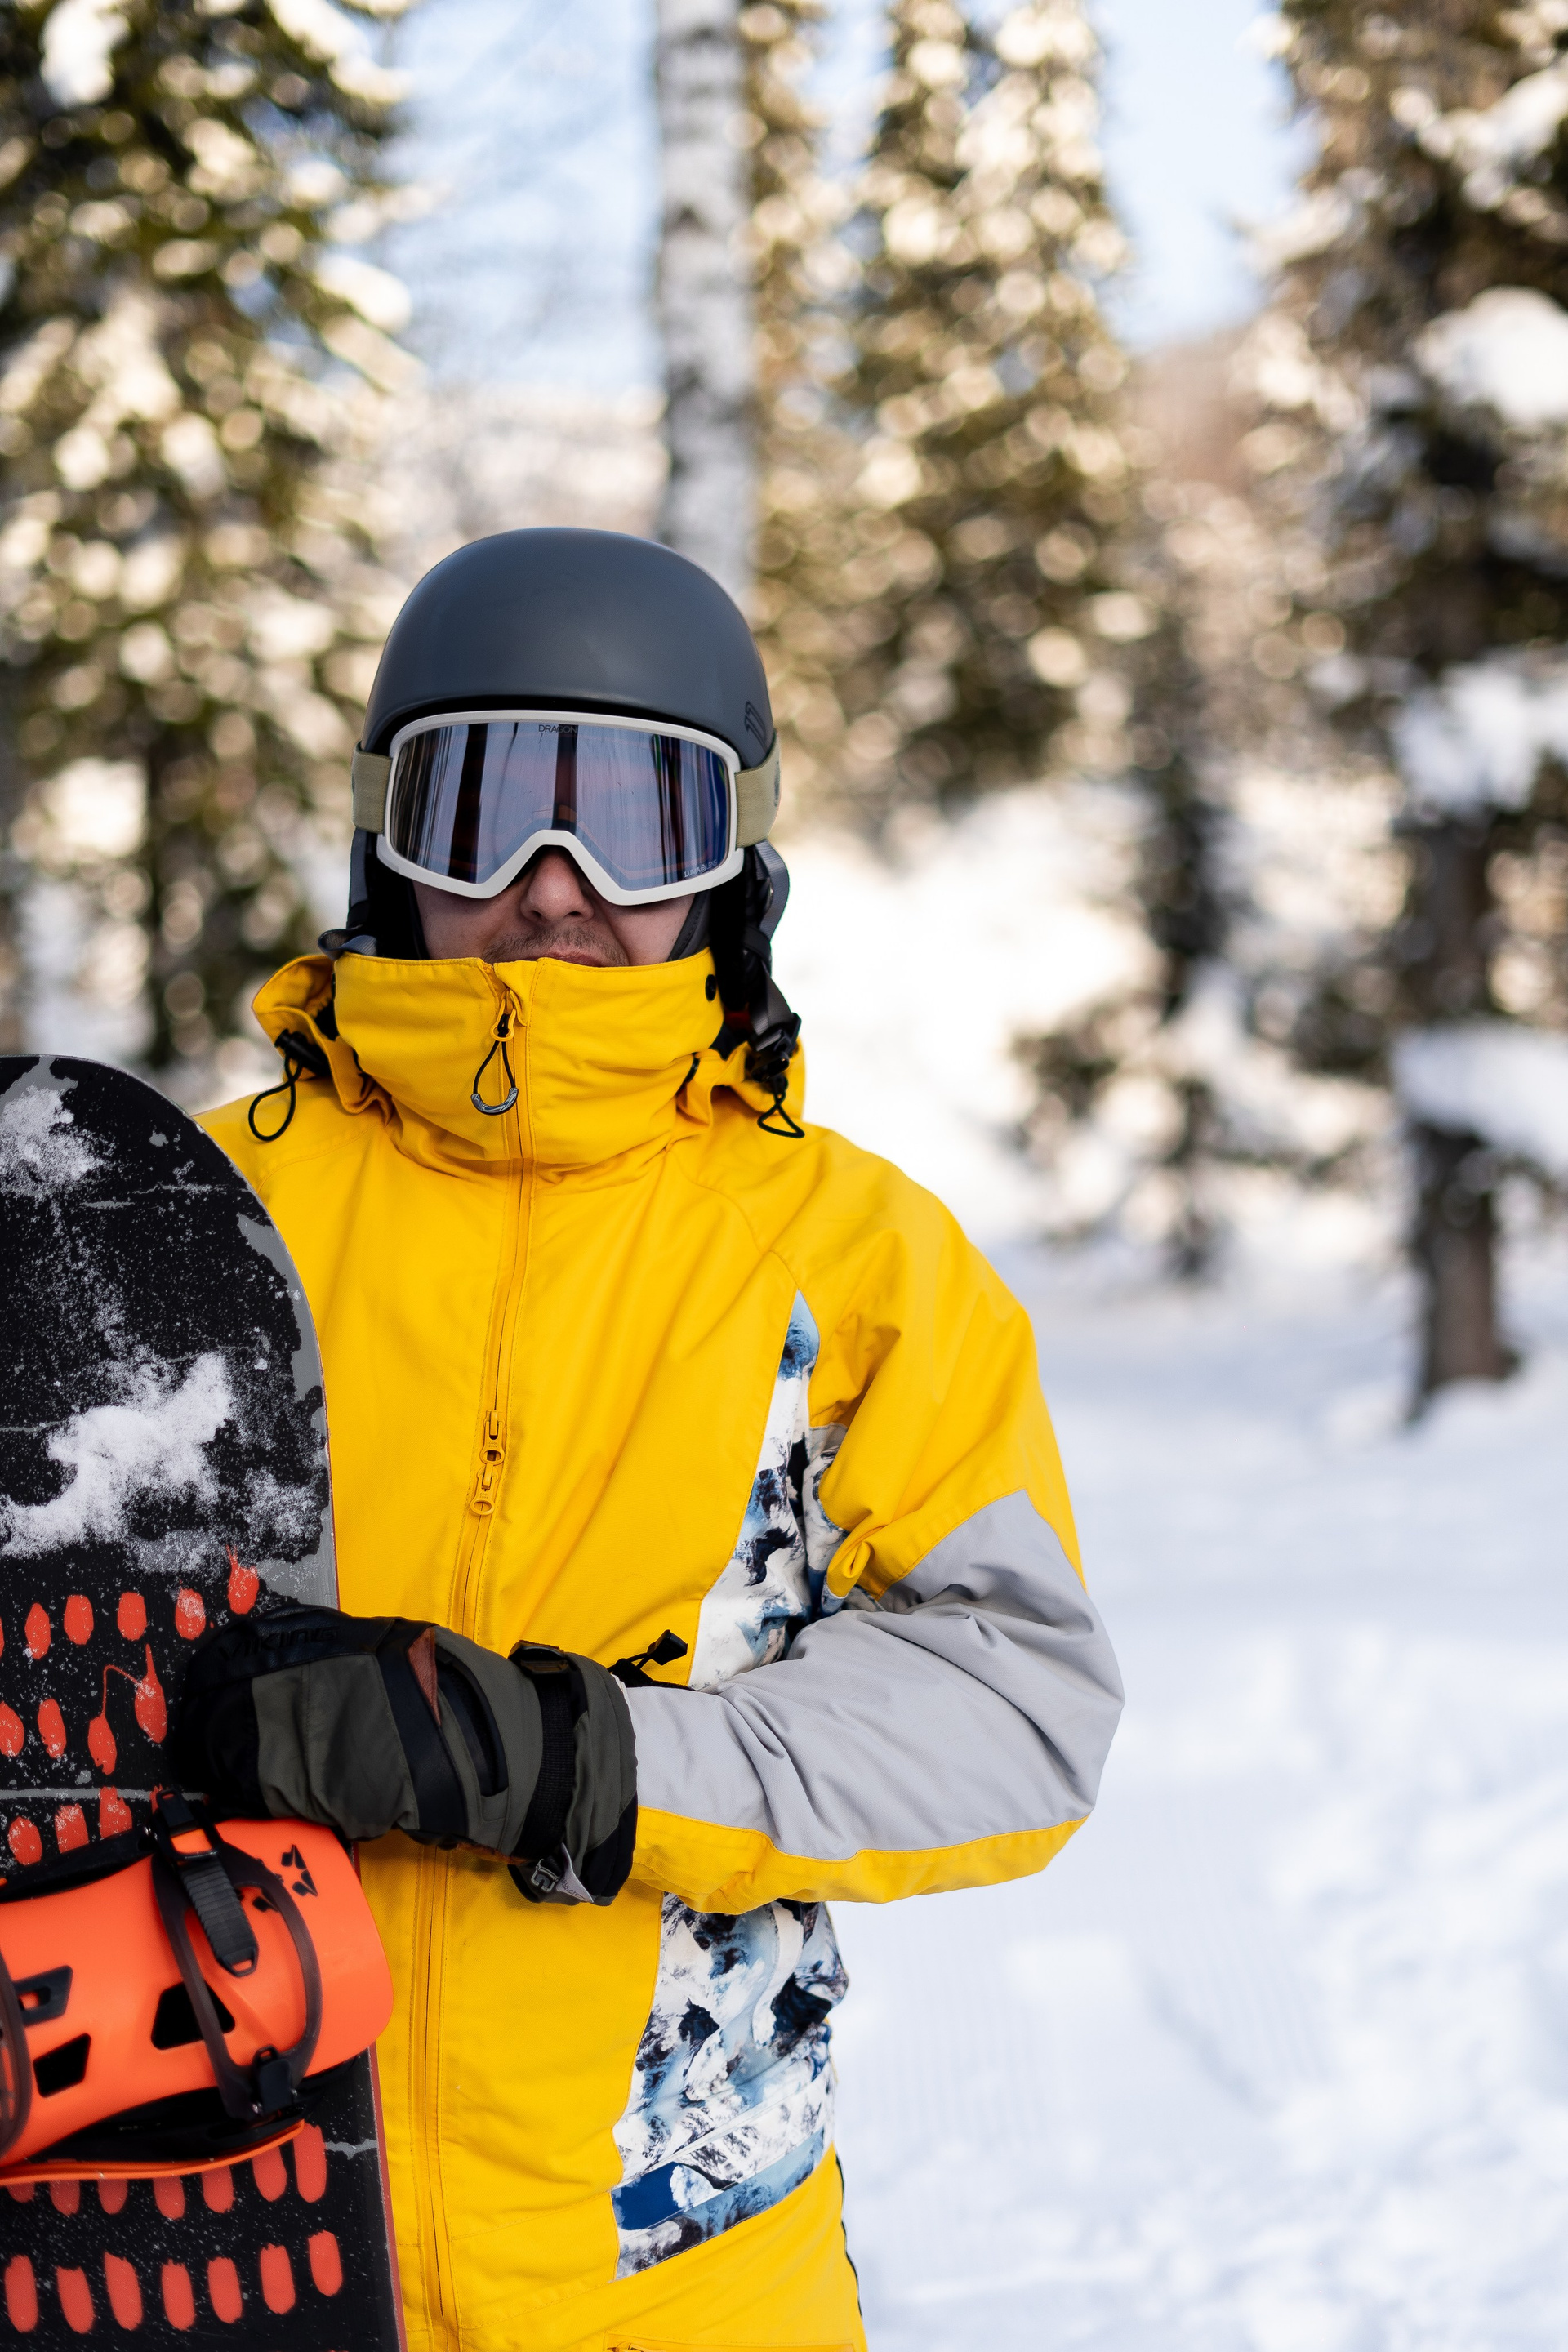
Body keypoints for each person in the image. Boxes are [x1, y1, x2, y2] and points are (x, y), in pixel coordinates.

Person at [189, 528, 1124, 2352]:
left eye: (634, 816)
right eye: (484, 811)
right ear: (389, 840)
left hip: (683, 2282)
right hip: (222, 2247)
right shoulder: (194, 1220)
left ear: (733, 862)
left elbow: (1016, 1717)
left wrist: (583, 1764)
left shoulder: (857, 1263)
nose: (555, 887)